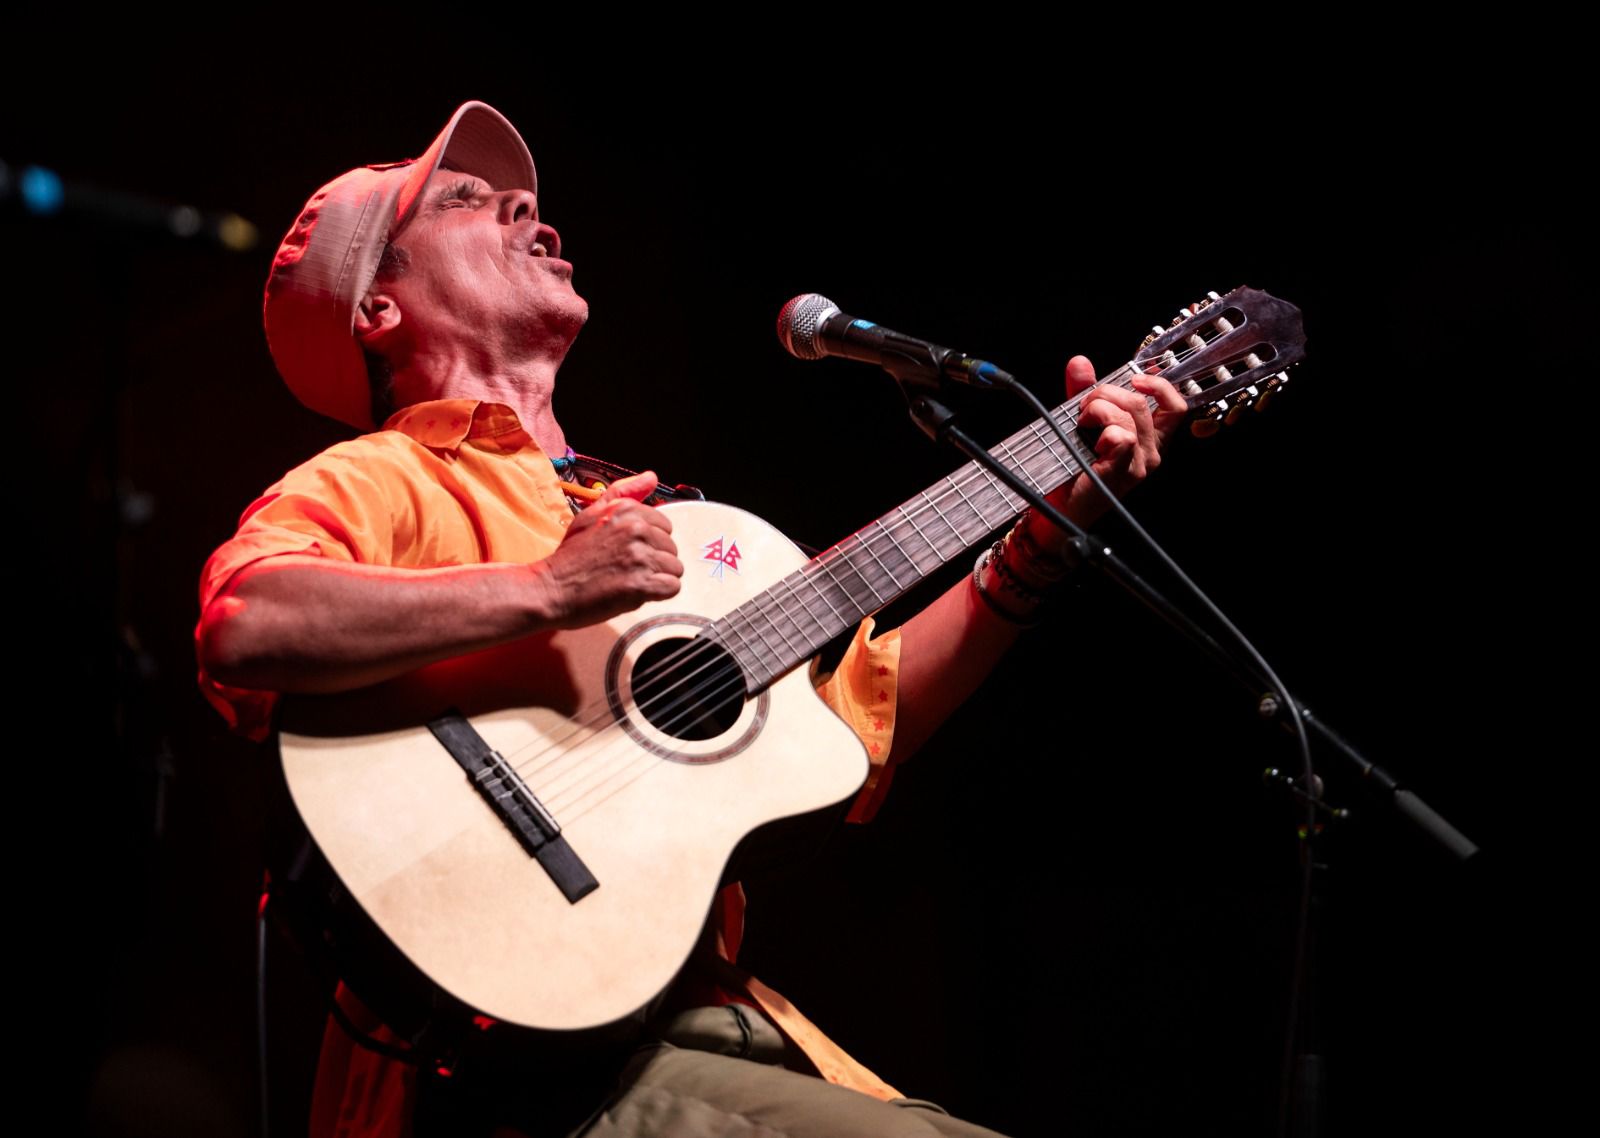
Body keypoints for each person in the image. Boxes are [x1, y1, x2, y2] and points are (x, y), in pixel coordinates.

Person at [196, 101, 1186, 1138]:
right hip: (523, 1074)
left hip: (715, 1034)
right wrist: (550, 590)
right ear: (378, 311)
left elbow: (862, 729)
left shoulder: (665, 521)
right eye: (464, 201)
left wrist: (1052, 526)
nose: (526, 205)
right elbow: (248, 620)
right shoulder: (385, 475)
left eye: (514, 194)